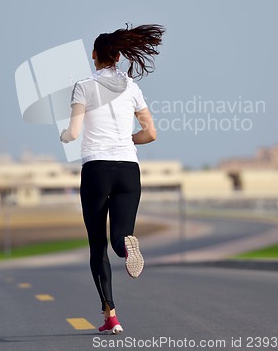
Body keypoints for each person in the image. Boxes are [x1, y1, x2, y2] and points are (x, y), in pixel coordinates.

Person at [60, 24, 165, 334]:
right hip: (128, 170)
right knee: (120, 238)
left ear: (94, 56)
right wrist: (128, 138)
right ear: (119, 56)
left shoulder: (84, 86)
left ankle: (111, 316)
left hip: (96, 169)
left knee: (97, 246)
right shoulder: (132, 88)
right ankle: (127, 245)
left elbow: (75, 132)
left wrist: (65, 135)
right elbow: (151, 134)